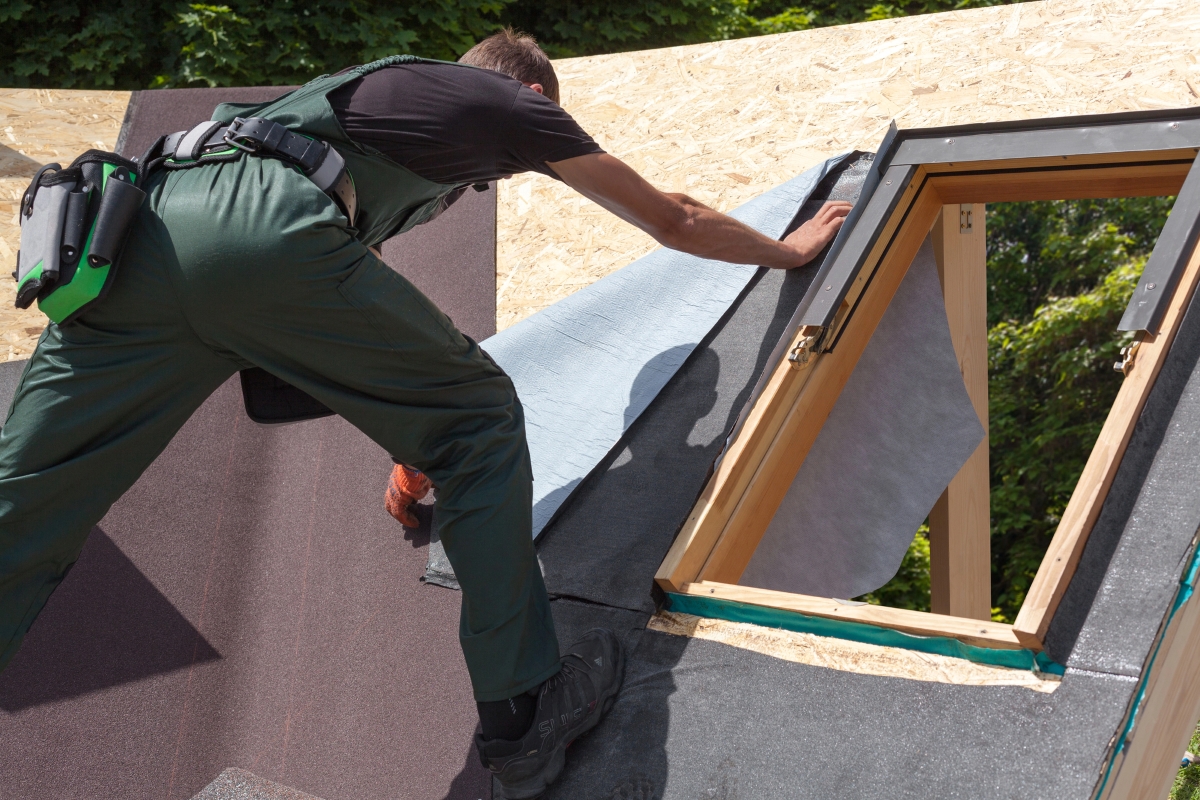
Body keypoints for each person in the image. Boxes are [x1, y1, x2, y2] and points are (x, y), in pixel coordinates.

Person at [0, 29, 850, 799]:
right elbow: (675, 217)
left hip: (135, 246)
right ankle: (524, 712)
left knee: (26, 501)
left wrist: (412, 437)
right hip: (257, 235)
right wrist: (791, 247)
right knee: (481, 419)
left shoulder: (359, 112)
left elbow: (328, 324)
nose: (489, 182)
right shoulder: (510, 103)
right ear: (533, 98)